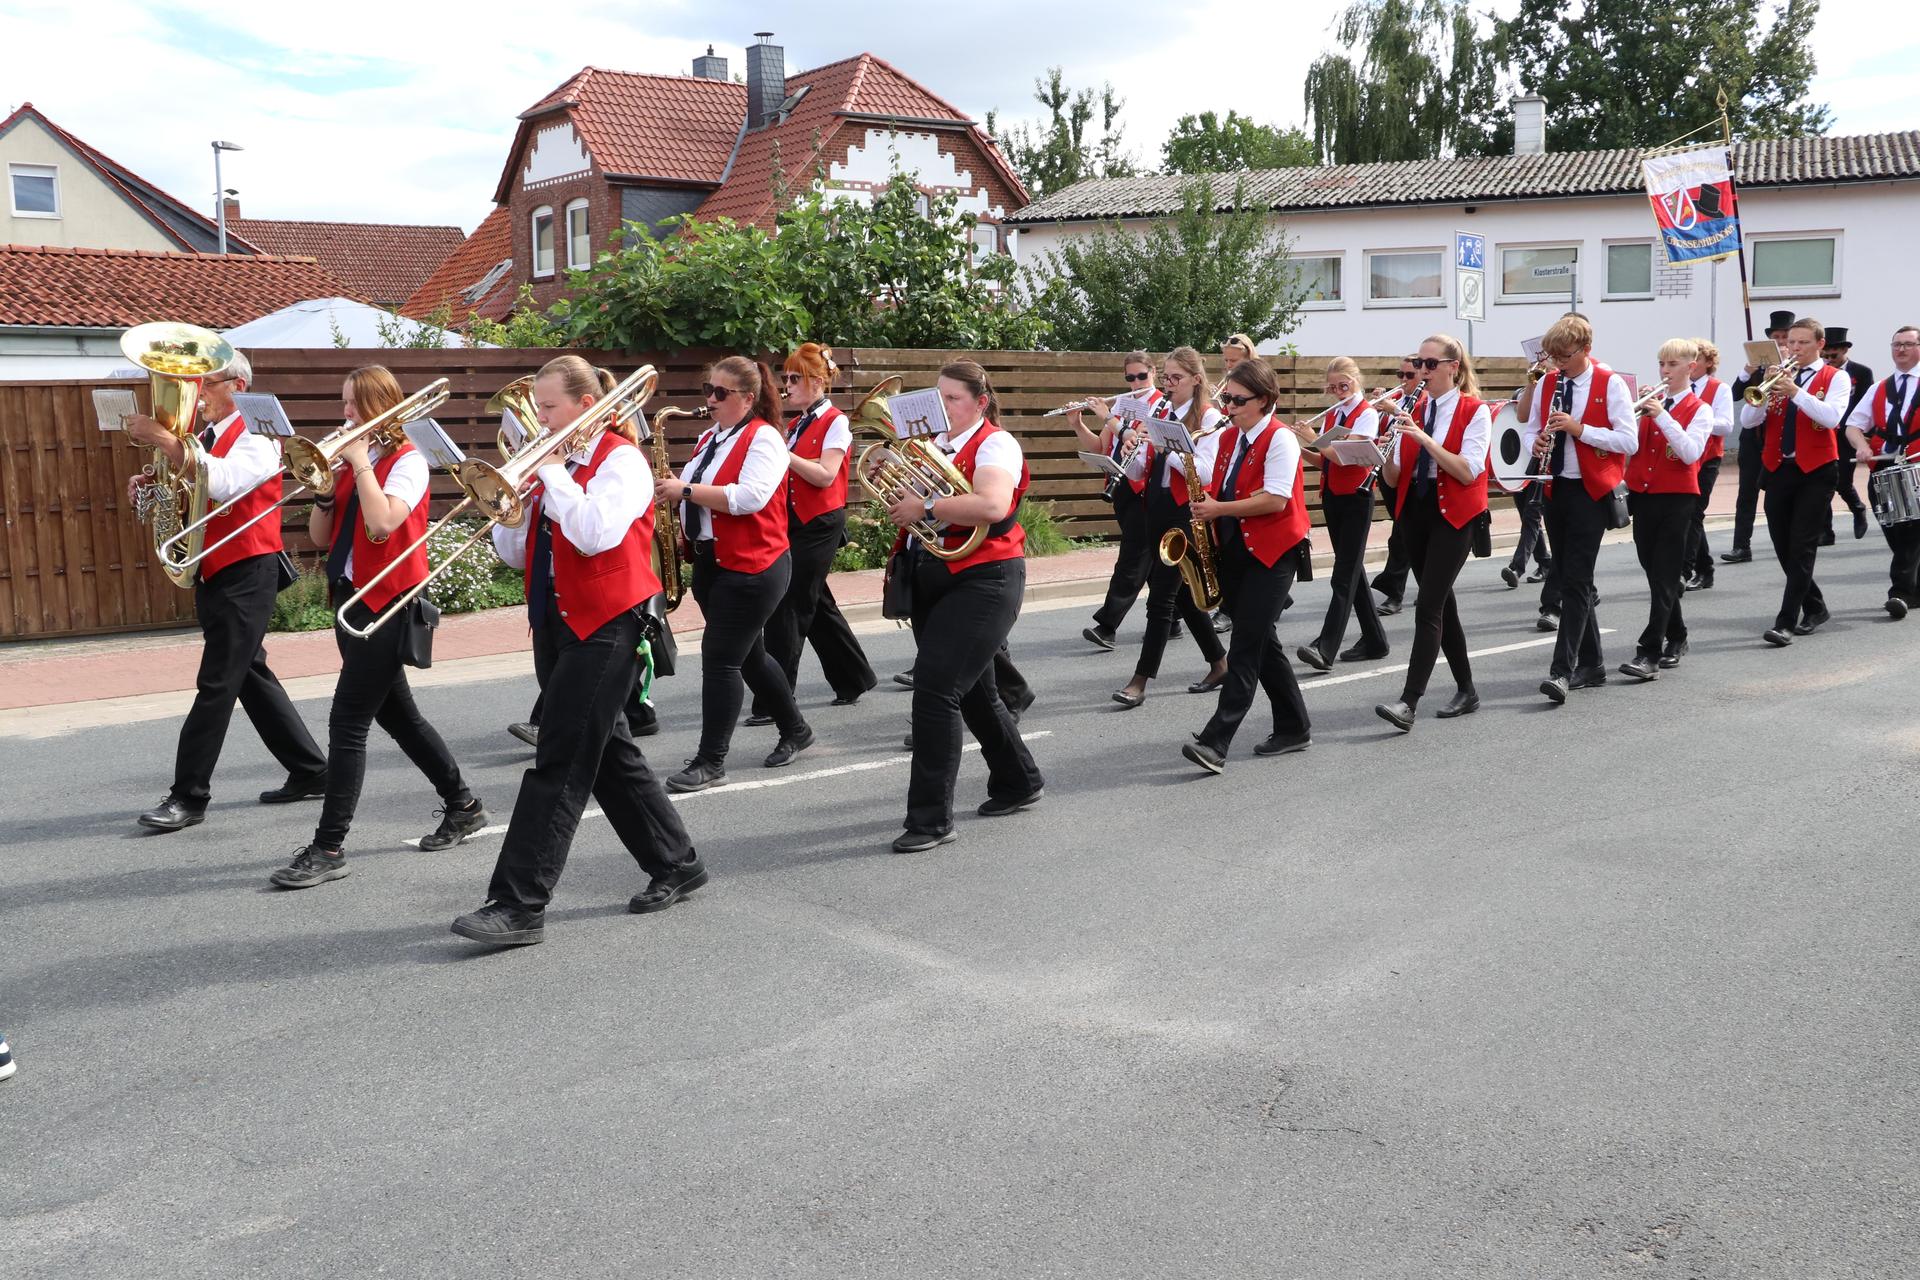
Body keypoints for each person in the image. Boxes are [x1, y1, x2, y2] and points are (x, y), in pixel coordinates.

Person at [450, 356, 705, 946]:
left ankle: (519, 903)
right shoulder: (557, 466)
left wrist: (552, 474)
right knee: (608, 753)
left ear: (586, 407)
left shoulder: (622, 461)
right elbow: (517, 555)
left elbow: (595, 534)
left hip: (609, 622)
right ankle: (676, 861)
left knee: (560, 761)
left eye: (547, 408)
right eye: (535, 408)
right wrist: (509, 503)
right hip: (558, 624)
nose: (537, 420)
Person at [270, 366, 484, 889]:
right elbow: (323, 538)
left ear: (379, 408)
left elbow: (384, 523)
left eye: (352, 405)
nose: (343, 414)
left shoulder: (406, 463)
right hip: (353, 600)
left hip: (390, 604)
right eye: (343, 403)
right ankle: (464, 804)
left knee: (347, 723)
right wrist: (324, 490)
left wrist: (361, 466)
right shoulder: (352, 465)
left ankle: (329, 846)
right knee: (400, 717)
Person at [124, 351, 328, 832]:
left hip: (248, 570)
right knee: (249, 674)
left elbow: (226, 482)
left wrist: (168, 444)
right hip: (214, 568)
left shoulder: (258, 437)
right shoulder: (206, 437)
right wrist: (150, 484)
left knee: (217, 683)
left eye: (206, 384)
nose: (197, 395)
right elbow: (189, 486)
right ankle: (312, 770)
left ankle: (188, 796)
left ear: (236, 385)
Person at [884, 360, 1045, 852]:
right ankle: (1020, 779)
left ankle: (930, 820)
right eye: (940, 397)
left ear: (980, 402)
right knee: (975, 693)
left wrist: (926, 505)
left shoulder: (996, 444)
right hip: (937, 575)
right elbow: (906, 503)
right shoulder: (931, 448)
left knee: (935, 691)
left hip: (986, 577)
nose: (944, 406)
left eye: (953, 398)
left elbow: (992, 505)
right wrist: (890, 476)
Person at [657, 357, 814, 790]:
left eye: (720, 393)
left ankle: (711, 761)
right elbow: (696, 490)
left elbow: (750, 497)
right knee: (749, 656)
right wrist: (670, 488)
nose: (710, 399)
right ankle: (796, 729)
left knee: (721, 658)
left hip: (754, 564)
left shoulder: (764, 439)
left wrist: (684, 489)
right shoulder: (712, 437)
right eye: (708, 389)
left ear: (748, 398)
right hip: (713, 561)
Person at [1181, 357, 1312, 772]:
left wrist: (1218, 509)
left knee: (1244, 647)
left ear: (1265, 399)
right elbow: (1214, 484)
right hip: (1236, 550)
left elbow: (1276, 498)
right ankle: (1294, 726)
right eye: (1226, 398)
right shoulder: (1227, 438)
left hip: (1274, 552)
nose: (1229, 406)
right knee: (1262, 642)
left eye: (1238, 400)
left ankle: (1216, 740)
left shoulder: (1281, 439)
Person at [1372, 334, 1491, 731]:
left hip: (1454, 516)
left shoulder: (1476, 411)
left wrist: (1422, 438)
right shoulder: (1414, 409)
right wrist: (1386, 451)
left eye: (1429, 364)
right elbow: (1394, 476)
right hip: (1416, 514)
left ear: (1453, 367)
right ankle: (1467, 689)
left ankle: (1409, 702)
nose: (1421, 371)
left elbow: (1468, 470)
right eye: (1417, 363)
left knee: (1428, 606)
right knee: (1443, 605)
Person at [755, 342, 877, 718]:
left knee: (790, 605)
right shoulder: (796, 423)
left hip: (821, 522)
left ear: (817, 381)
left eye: (795, 378)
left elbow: (825, 475)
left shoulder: (835, 421)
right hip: (795, 521)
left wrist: (783, 453)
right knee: (817, 604)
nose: (787, 385)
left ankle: (775, 698)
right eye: (786, 377)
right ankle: (853, 677)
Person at [1522, 314, 1638, 703]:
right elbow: (1528, 427)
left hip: (1592, 490)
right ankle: (1593, 664)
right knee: (1576, 579)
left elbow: (1628, 440)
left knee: (1574, 577)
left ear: (1587, 349)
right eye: (1553, 357)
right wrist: (1535, 443)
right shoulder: (1550, 382)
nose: (1558, 364)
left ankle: (1562, 671)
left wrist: (1579, 429)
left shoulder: (1611, 383)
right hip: (1557, 486)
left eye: (1565, 357)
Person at [1111, 346, 1228, 707]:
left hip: (1184, 514)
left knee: (1161, 599)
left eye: (1176, 377)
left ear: (1196, 379)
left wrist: (1168, 449)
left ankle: (1140, 680)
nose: (1169, 383)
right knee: (1183, 596)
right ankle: (1220, 663)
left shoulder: (1209, 418)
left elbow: (1206, 473)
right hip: (1154, 509)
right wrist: (1125, 451)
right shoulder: (1161, 409)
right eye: (1166, 377)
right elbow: (1143, 469)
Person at [1744, 317, 1851, 647]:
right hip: (1779, 468)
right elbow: (1749, 421)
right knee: (1781, 544)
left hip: (1817, 470)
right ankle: (1815, 606)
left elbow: (1831, 418)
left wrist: (1796, 392)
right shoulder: (1778, 376)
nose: (1795, 349)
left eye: (1803, 343)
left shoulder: (1836, 377)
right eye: (1791, 343)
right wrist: (1763, 387)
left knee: (1802, 545)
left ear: (1819, 345)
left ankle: (1785, 621)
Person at [1619, 341, 1715, 681]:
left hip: (1678, 499)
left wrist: (1663, 416)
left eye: (1672, 364)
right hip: (1644, 496)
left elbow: (1690, 453)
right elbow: (1627, 445)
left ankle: (1649, 652)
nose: (1664, 371)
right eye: (1661, 363)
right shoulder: (1648, 405)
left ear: (1691, 367)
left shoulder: (1700, 409)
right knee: (1653, 571)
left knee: (1664, 576)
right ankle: (1678, 635)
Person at [1293, 357, 1389, 671]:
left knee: (1343, 574)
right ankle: (1375, 640)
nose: (1338, 391)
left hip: (1357, 499)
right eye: (1333, 387)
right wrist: (1297, 448)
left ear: (1355, 381)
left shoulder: (1367, 415)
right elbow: (1328, 462)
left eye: (1343, 385)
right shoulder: (1335, 414)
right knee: (1352, 570)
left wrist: (1311, 438)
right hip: (1333, 497)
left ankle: (1325, 647)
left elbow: (1348, 457)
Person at [1069, 351, 1163, 651]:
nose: (1136, 383)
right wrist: (1077, 423)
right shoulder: (1123, 404)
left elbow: (1133, 441)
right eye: (1130, 378)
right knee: (1154, 561)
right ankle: (1171, 617)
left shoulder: (1160, 404)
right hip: (1121, 487)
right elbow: (1101, 445)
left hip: (1145, 491)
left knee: (1132, 558)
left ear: (1153, 373)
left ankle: (1107, 625)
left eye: (1141, 376)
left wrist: (1106, 416)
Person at [1844, 324, 1920, 618]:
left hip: (1916, 464)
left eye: (1908, 344)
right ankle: (1914, 588)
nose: (1901, 349)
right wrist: (1861, 445)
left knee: (1913, 528)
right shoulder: (1879, 387)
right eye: (1897, 344)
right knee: (1892, 527)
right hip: (1884, 464)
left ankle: (1899, 593)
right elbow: (1853, 425)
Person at [1723, 310, 1797, 564]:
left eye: (1786, 337)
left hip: (1782, 439)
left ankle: (1796, 539)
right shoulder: (1758, 368)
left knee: (1786, 491)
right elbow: (1735, 394)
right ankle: (1741, 545)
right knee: (1747, 493)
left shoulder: (1797, 368)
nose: (1781, 342)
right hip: (1753, 438)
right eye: (1776, 337)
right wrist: (1747, 372)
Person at [1370, 355, 1428, 615]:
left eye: (1409, 376)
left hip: (1414, 474)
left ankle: (1395, 591)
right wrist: (1376, 410)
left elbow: (1421, 425)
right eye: (1400, 375)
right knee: (1406, 532)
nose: (1403, 381)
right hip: (1389, 470)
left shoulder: (1425, 400)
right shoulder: (1397, 400)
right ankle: (1427, 586)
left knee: (1402, 533)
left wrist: (1392, 409)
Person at [1680, 340, 1736, 591]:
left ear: (1708, 363)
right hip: (1683, 457)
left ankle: (1684, 570)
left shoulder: (1719, 388)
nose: (1690, 365)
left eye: (1696, 359)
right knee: (1691, 514)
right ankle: (1705, 569)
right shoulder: (1678, 386)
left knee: (1694, 512)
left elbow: (1726, 425)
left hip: (1709, 458)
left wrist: (1697, 419)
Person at [1820, 326, 1875, 543]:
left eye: (1834, 355)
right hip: (1824, 432)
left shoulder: (1861, 372)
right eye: (1826, 355)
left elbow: (1865, 405)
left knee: (1842, 481)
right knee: (1822, 483)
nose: (1830, 359)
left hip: (1846, 434)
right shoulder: (1821, 372)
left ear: (1844, 350)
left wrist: (1864, 435)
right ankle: (1825, 531)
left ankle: (1857, 507)